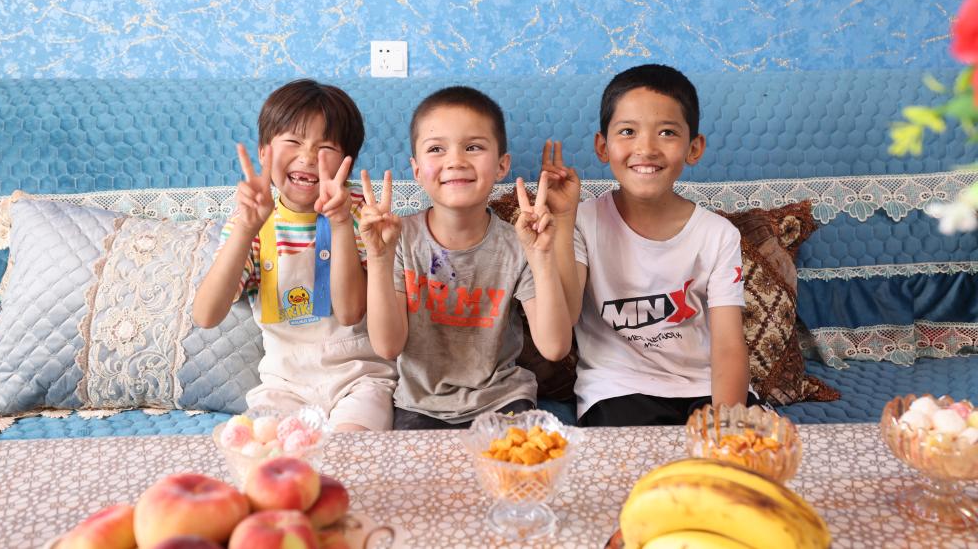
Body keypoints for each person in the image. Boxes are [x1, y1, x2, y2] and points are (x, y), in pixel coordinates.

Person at [543, 64, 755, 427]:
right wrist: (562, 222)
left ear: (694, 148)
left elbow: (728, 346)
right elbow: (567, 316)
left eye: (667, 133)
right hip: (618, 390)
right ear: (602, 146)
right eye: (628, 131)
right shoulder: (582, 222)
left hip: (705, 385)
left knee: (756, 452)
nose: (646, 148)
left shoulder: (718, 234)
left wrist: (728, 428)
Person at [358, 86, 574, 430]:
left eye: (473, 147)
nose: (456, 160)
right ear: (417, 170)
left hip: (504, 399)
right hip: (421, 405)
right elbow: (387, 347)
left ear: (502, 165)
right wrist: (379, 258)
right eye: (436, 149)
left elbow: (555, 347)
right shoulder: (398, 239)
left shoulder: (519, 242)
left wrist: (541, 256)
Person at [193, 79, 395, 431]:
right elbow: (206, 315)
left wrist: (341, 222)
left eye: (325, 146)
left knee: (353, 450)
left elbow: (350, 312)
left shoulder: (365, 218)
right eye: (293, 141)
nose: (307, 157)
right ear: (264, 152)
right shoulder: (250, 223)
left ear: (347, 163)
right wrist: (246, 228)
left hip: (361, 380)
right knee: (262, 448)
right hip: (283, 386)